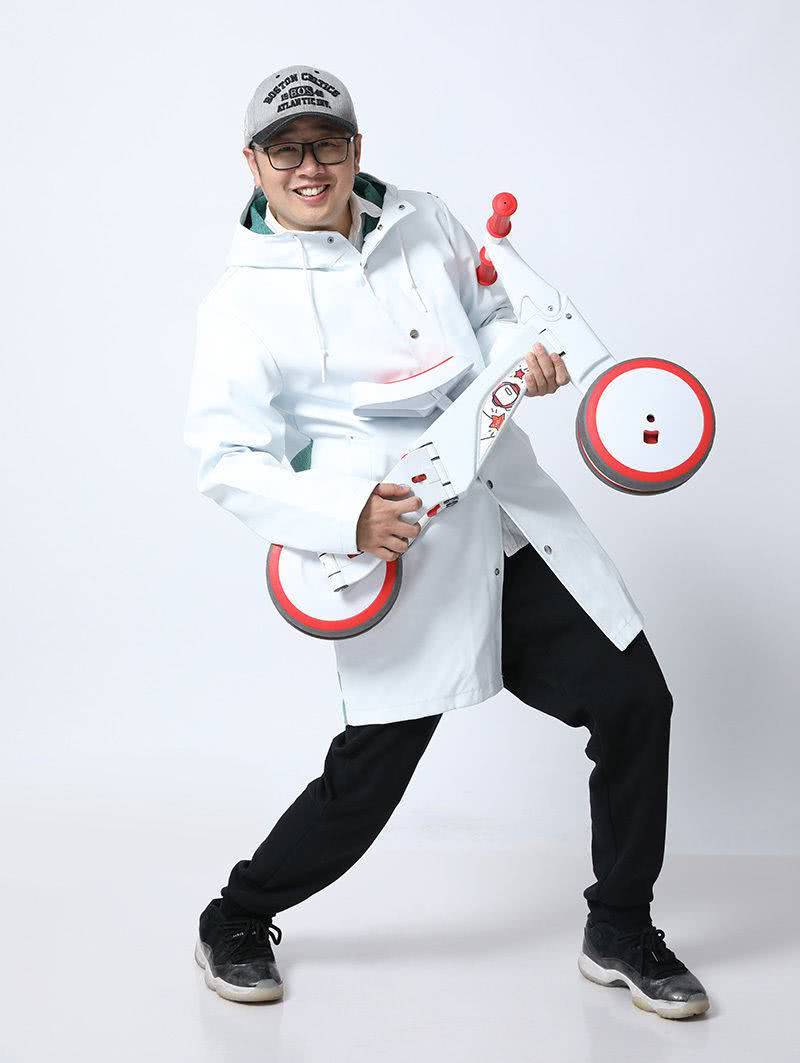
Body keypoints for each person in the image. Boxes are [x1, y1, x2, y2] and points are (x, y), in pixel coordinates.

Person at [184, 64, 710, 1018]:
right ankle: (237, 912)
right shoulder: (239, 303)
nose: (310, 167)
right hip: (399, 546)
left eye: (327, 143)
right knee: (370, 776)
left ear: (356, 147)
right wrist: (345, 515)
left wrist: (527, 358)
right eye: (286, 150)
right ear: (254, 164)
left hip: (509, 518)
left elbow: (496, 315)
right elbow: (226, 459)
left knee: (635, 699)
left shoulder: (426, 219)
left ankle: (620, 926)